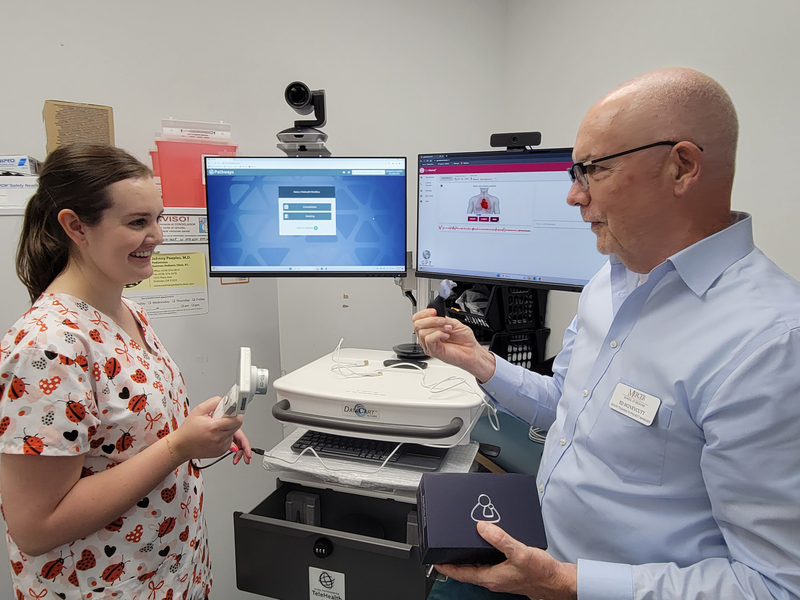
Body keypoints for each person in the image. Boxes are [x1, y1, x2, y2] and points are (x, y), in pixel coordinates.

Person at [414, 68, 800, 600]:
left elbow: (774, 585)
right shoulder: (610, 280)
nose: (574, 196)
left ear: (682, 167)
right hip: (547, 561)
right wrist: (483, 363)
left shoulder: (769, 344)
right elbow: (569, 407)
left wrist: (571, 584)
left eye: (592, 171)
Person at [0, 144, 252, 600]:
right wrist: (178, 446)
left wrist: (198, 428)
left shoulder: (127, 310)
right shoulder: (48, 344)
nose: (156, 235)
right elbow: (35, 527)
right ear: (76, 226)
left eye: (158, 218)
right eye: (137, 222)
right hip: (101, 586)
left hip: (170, 571)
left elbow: (122, 436)